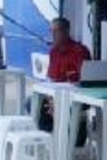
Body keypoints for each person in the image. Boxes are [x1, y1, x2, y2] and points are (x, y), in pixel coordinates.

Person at [30, 17, 92, 145]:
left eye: (56, 31)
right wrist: (50, 97)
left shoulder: (80, 51)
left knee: (45, 108)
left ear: (66, 31)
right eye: (51, 31)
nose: (53, 35)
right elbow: (51, 79)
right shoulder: (53, 52)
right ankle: (49, 139)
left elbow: (84, 81)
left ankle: (64, 138)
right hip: (56, 95)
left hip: (77, 96)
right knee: (32, 103)